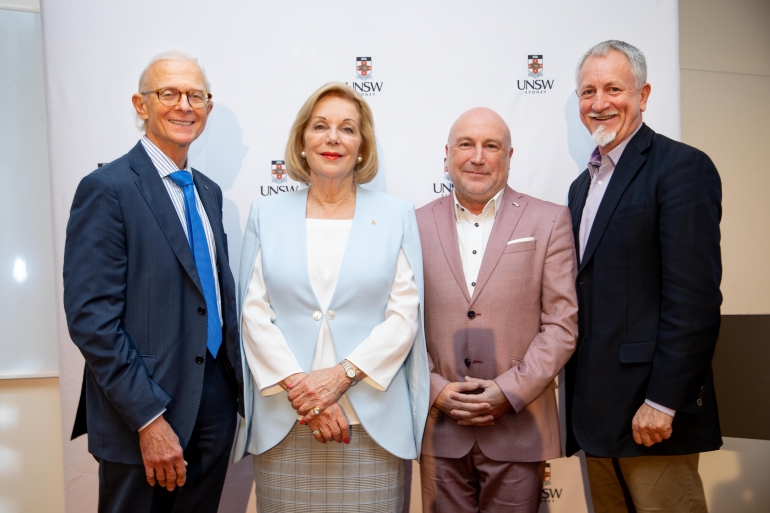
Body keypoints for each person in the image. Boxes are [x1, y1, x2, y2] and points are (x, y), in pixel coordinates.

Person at [233, 82, 429, 512]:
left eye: (347, 128)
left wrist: (340, 377)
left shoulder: (396, 214)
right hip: (288, 418)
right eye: (320, 126)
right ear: (302, 141)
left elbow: (404, 315)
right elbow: (252, 313)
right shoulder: (266, 213)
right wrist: (306, 392)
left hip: (371, 423)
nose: (333, 138)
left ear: (362, 145)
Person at [63, 51, 243, 513]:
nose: (185, 105)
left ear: (208, 108)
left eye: (196, 95)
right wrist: (148, 418)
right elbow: (92, 320)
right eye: (169, 93)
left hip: (214, 405)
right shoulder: (107, 188)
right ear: (141, 105)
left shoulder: (208, 191)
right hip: (142, 412)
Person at [565, 40, 722, 513]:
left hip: (650, 415)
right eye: (588, 91)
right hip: (595, 415)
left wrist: (664, 401)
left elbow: (693, 301)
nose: (599, 103)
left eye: (614, 88)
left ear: (644, 94)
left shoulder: (680, 168)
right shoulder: (581, 187)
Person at [416, 107, 579, 512]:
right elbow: (398, 324)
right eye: (466, 144)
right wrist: (435, 390)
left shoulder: (550, 220)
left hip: (519, 426)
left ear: (509, 156)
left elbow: (562, 325)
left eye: (491, 146)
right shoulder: (412, 223)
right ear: (447, 154)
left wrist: (509, 391)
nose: (478, 156)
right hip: (438, 427)